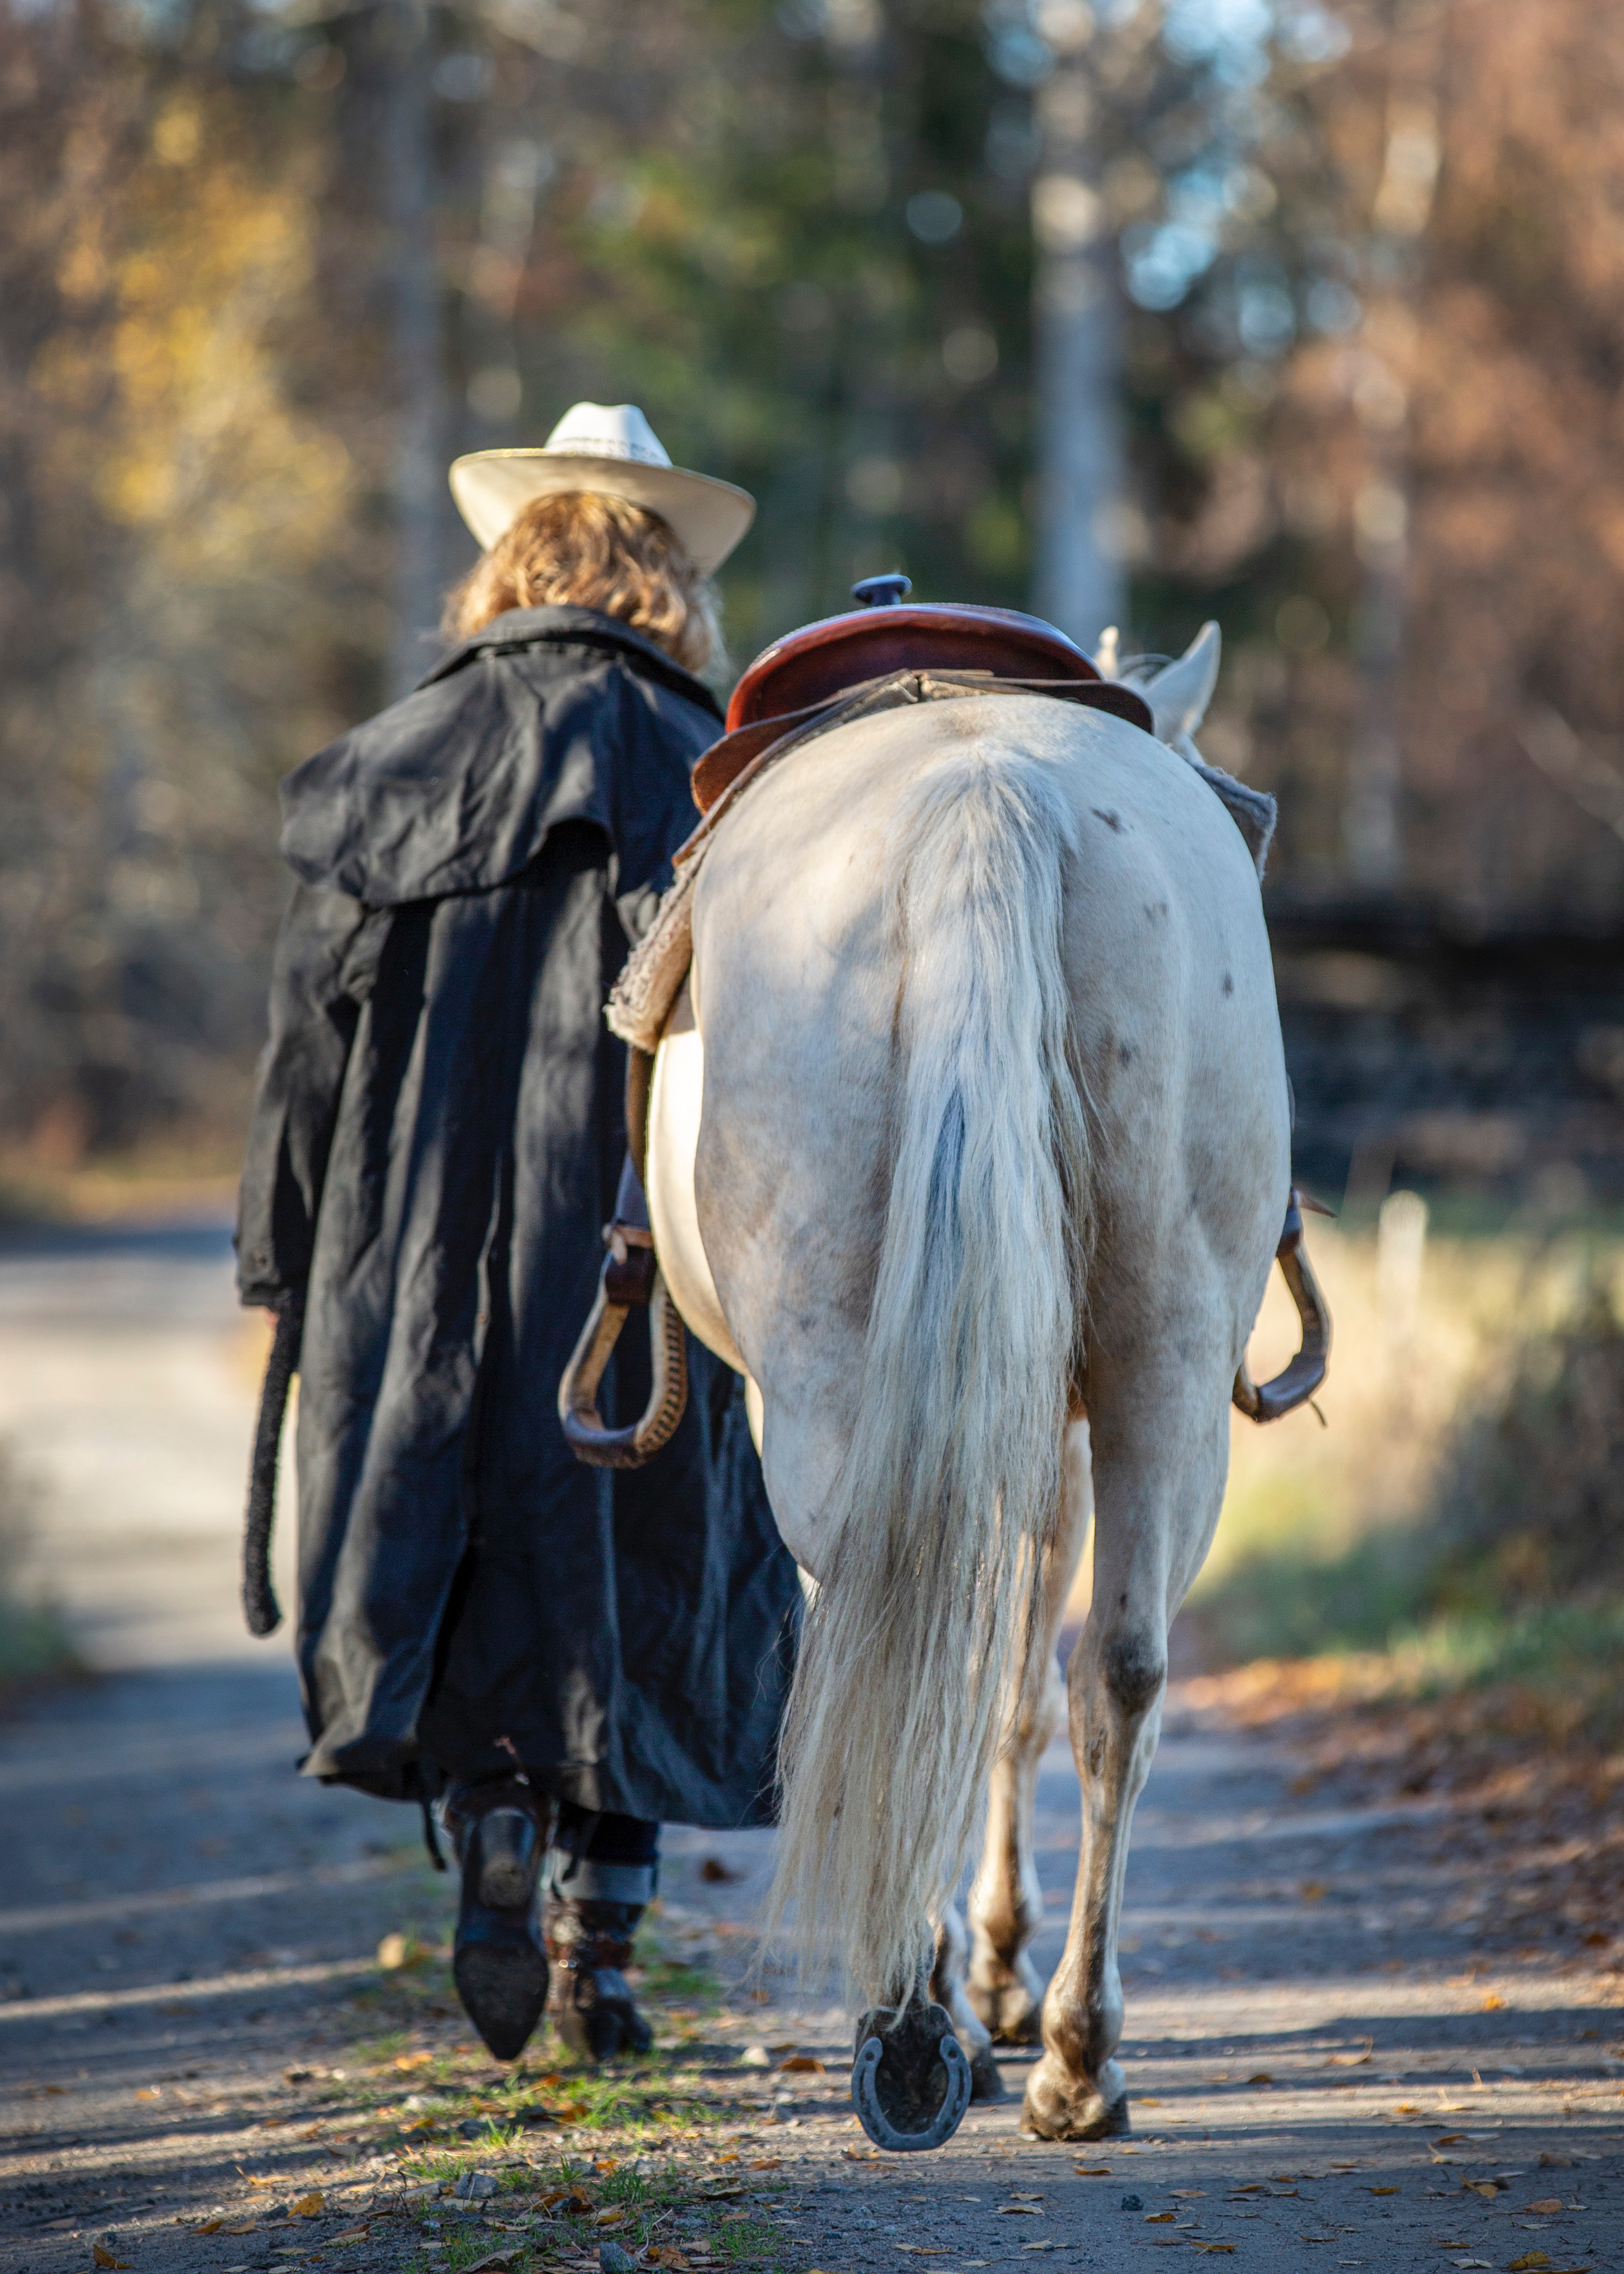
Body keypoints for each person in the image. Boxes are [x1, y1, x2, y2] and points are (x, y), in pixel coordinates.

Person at [235, 402, 800, 2064]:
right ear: (667, 580)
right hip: (642, 1243)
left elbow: (305, 1049)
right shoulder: (714, 773)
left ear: (513, 564)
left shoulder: (390, 762)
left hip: (404, 1253)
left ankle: (489, 1832)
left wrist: (284, 1257)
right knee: (645, 1559)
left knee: (458, 1527)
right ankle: (601, 1955)